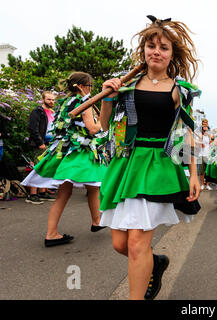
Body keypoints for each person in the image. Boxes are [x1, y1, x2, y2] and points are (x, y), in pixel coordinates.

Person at [98, 15, 201, 300]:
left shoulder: (179, 90)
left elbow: (188, 134)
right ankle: (155, 263)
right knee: (121, 242)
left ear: (172, 55)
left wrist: (194, 174)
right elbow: (105, 126)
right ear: (143, 50)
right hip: (127, 165)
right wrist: (108, 96)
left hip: (159, 166)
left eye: (164, 47)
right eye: (151, 45)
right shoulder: (127, 86)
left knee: (136, 244)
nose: (156, 51)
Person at [21, 72, 107, 247]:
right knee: (68, 192)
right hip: (78, 152)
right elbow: (92, 129)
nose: (91, 89)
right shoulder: (85, 103)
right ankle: (51, 234)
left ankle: (96, 221)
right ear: (82, 87)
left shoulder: (64, 103)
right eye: (90, 86)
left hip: (65, 151)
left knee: (93, 187)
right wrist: (104, 124)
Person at [26, 91, 57, 204]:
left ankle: (42, 192)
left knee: (46, 167)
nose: (51, 101)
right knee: (37, 167)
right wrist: (39, 142)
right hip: (41, 143)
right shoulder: (38, 111)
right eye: (49, 99)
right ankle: (32, 194)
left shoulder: (53, 112)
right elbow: (32, 128)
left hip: (51, 144)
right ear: (43, 99)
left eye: (53, 99)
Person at [196, 119, 213, 191]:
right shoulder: (199, 133)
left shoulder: (209, 133)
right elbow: (196, 143)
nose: (205, 124)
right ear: (202, 124)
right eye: (204, 123)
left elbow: (212, 138)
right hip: (201, 154)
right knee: (201, 171)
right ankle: (202, 184)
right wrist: (200, 143)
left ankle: (208, 184)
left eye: (206, 123)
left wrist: (208, 133)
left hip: (208, 154)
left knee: (208, 171)